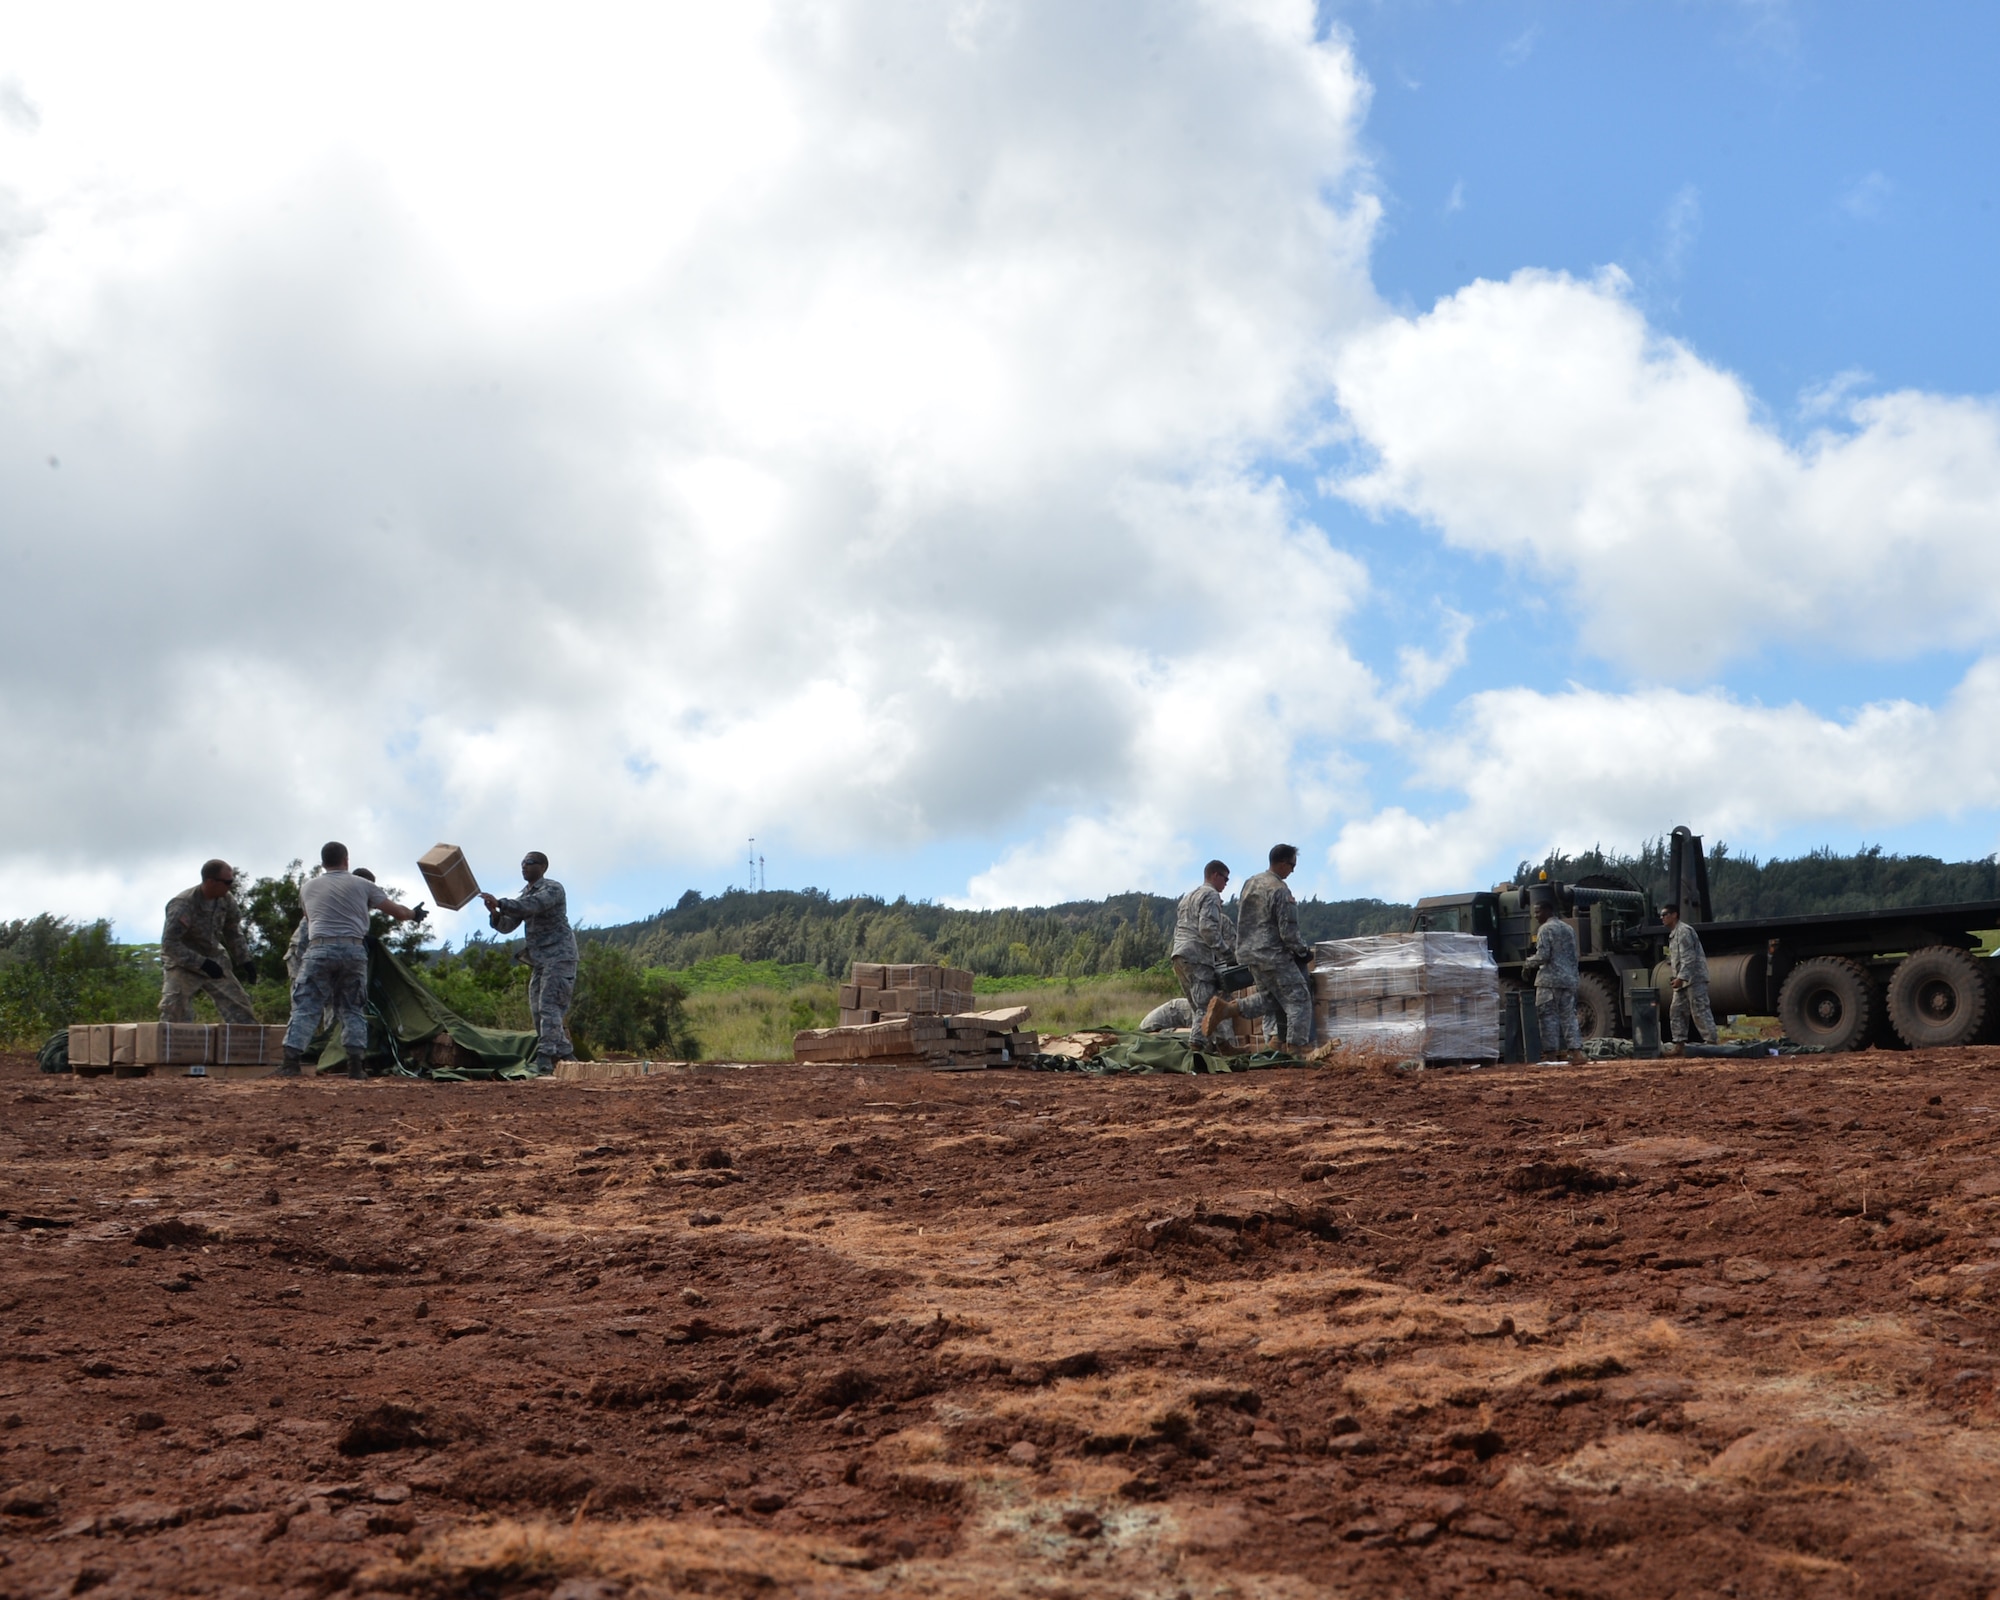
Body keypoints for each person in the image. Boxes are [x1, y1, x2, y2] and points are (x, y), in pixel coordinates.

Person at [281, 844, 425, 1080]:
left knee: (306, 1006)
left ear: (323, 862)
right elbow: (398, 912)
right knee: (352, 1008)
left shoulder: (307, 887)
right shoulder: (363, 885)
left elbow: (310, 918)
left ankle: (290, 1063)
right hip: (353, 950)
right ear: (346, 860)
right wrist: (414, 914)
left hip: (319, 949)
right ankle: (356, 1067)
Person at [481, 852, 577, 1075]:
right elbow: (506, 926)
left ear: (542, 866)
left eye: (529, 863)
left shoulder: (552, 889)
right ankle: (566, 1054)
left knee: (549, 1006)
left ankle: (543, 1058)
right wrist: (495, 912)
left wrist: (502, 903)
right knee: (537, 1010)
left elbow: (532, 905)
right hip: (539, 961)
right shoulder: (524, 895)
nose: (524, 866)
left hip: (559, 956)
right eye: (522, 863)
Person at [1235, 844, 1314, 1050]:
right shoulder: (1279, 890)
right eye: (1291, 865)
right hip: (1273, 955)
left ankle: (1232, 1011)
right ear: (1281, 863)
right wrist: (1303, 951)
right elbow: (1288, 931)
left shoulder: (1250, 883)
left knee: (1272, 999)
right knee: (1299, 998)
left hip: (1249, 955)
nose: (1292, 870)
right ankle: (1297, 1049)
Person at [160, 860, 257, 1024]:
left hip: (214, 958)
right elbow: (170, 945)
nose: (230, 886)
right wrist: (201, 963)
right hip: (182, 962)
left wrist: (245, 960)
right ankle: (173, 1047)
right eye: (227, 882)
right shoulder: (182, 905)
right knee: (174, 1010)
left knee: (242, 1012)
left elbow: (233, 931)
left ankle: (243, 1048)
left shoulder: (226, 900)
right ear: (210, 882)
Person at [1172, 860, 1237, 1048]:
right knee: (1207, 1006)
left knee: (1197, 1006)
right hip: (1197, 956)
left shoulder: (1188, 897)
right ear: (1215, 875)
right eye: (1225, 879)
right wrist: (1228, 955)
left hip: (1179, 955)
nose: (1226, 883)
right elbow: (1207, 929)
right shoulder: (1211, 895)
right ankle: (1197, 1048)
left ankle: (1218, 1046)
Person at [1524, 888, 1582, 1061]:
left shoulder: (1544, 929)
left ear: (1548, 911)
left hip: (1549, 982)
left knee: (1548, 1017)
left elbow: (1543, 956)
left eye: (1538, 911)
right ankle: (1576, 1051)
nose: (1536, 915)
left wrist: (1527, 963)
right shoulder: (1568, 929)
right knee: (1569, 1016)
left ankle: (1551, 1054)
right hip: (1569, 980)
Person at [1661, 902, 1717, 1048]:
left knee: (1699, 1010)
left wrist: (1681, 977)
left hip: (1694, 979)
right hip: (1683, 981)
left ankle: (1711, 1042)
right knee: (1676, 1011)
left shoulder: (1684, 931)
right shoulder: (1674, 935)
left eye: (1665, 914)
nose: (1662, 918)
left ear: (1674, 915)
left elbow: (1689, 957)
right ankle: (1679, 1043)